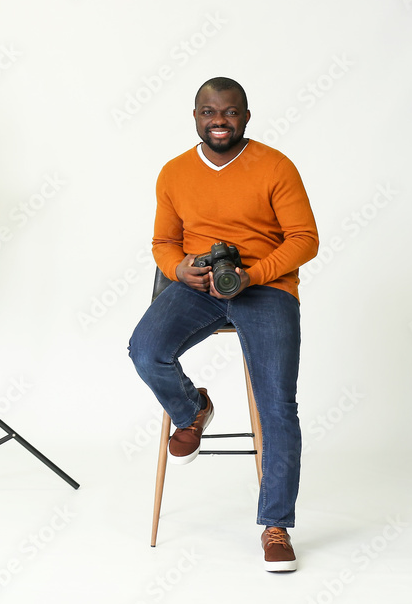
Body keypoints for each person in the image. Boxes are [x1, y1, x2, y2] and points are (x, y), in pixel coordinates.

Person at [128, 76, 319, 572]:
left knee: (277, 403)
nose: (219, 120)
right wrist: (179, 270)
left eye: (230, 112)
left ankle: (275, 526)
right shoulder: (173, 173)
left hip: (265, 287)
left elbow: (304, 238)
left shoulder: (276, 166)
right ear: (195, 117)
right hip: (196, 285)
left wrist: (254, 274)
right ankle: (194, 409)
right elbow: (163, 242)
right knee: (146, 350)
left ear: (246, 118)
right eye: (209, 112)